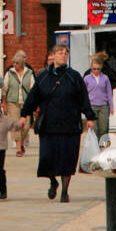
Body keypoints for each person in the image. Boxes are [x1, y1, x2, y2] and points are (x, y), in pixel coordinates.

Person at [20, 44, 95, 203]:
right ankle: (53, 181)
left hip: (70, 124)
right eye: (60, 53)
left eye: (66, 53)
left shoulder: (73, 76)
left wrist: (89, 116)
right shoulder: (43, 76)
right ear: (53, 55)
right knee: (48, 157)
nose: (63, 56)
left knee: (67, 159)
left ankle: (65, 191)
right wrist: (24, 114)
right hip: (49, 124)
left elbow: (83, 98)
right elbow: (33, 97)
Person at [3, 51, 35, 156]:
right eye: (13, 63)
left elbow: (33, 89)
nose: (14, 65)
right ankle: (18, 148)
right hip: (12, 102)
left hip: (26, 103)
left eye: (17, 63)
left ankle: (20, 142)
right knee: (15, 125)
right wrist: (4, 103)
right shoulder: (9, 73)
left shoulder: (29, 73)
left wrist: (34, 104)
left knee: (26, 126)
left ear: (21, 63)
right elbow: (4, 89)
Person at [84, 56, 114, 140]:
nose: (96, 71)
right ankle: (95, 147)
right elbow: (84, 94)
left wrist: (111, 106)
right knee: (94, 129)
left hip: (103, 106)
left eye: (98, 69)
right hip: (92, 106)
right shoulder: (86, 79)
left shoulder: (105, 78)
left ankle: (103, 145)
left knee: (103, 128)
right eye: (94, 69)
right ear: (91, 68)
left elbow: (109, 92)